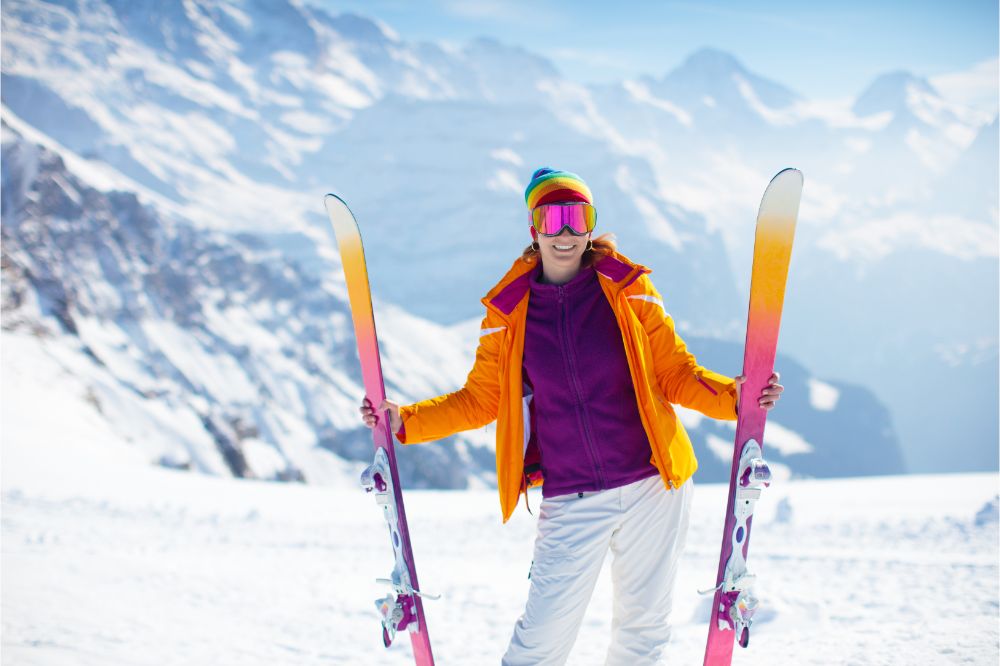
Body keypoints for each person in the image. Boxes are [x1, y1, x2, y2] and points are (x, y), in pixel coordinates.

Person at [360, 168, 784, 665]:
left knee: (641, 634)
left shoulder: (629, 290)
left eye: (577, 218)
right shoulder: (509, 313)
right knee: (539, 643)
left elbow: (675, 374)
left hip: (655, 486)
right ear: (533, 229)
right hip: (572, 498)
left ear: (590, 226)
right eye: (552, 218)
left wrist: (735, 398)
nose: (565, 233)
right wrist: (404, 420)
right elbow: (480, 400)